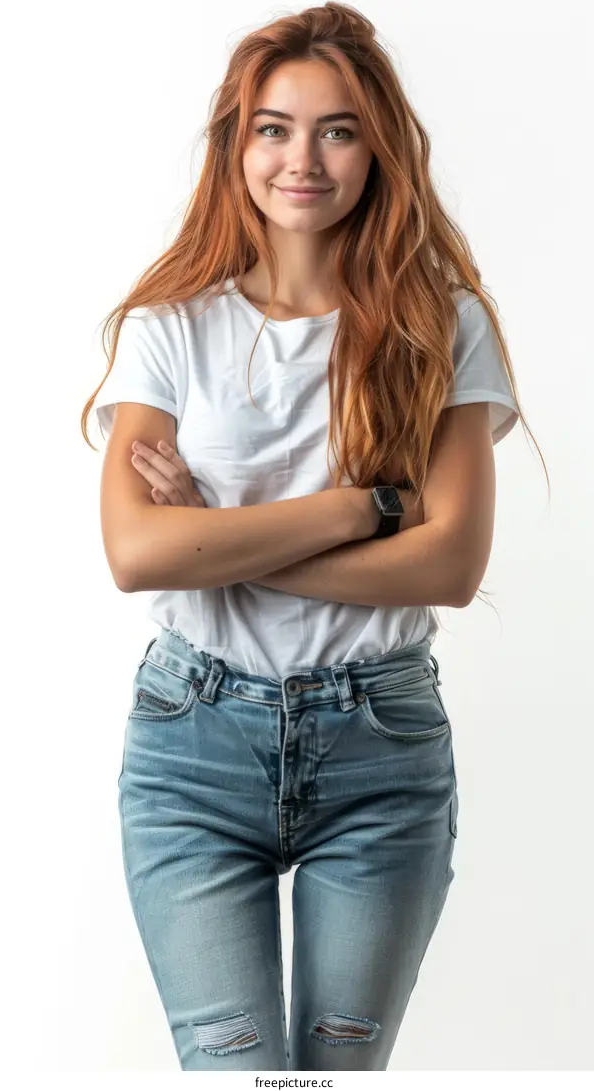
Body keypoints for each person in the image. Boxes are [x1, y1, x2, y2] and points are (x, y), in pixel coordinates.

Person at [81, 3, 548, 1072]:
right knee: (236, 1071)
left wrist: (221, 534)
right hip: (191, 744)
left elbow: (448, 563)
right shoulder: (169, 330)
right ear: (236, 144)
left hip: (378, 748)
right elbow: (135, 553)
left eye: (336, 129)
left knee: (335, 1074)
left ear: (377, 146)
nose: (303, 157)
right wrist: (357, 507)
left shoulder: (442, 321)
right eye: (273, 127)